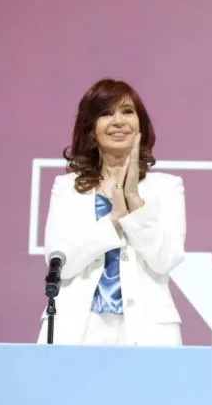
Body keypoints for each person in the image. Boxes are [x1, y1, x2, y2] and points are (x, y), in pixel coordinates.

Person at [37, 78, 187, 346]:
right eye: (106, 113)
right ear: (92, 130)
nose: (118, 121)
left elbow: (165, 259)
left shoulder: (167, 188)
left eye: (127, 111)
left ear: (140, 125)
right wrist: (114, 219)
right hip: (78, 330)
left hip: (148, 332)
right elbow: (62, 264)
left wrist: (133, 202)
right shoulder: (67, 188)